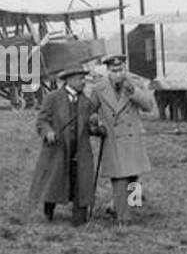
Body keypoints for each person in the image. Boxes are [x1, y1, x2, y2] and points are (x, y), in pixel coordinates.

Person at [84, 54, 155, 225]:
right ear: (108, 70)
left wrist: (133, 92)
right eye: (114, 70)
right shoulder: (99, 88)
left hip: (133, 139)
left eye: (121, 69)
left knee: (133, 175)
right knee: (119, 178)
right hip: (113, 140)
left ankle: (129, 205)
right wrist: (95, 123)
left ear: (125, 68)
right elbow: (90, 110)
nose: (118, 73)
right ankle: (124, 218)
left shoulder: (135, 83)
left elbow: (149, 106)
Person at [28, 66, 97, 225]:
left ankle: (79, 217)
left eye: (84, 79)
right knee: (54, 182)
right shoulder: (52, 98)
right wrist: (48, 132)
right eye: (80, 79)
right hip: (57, 148)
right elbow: (42, 121)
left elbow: (89, 126)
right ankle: (48, 211)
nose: (83, 82)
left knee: (80, 182)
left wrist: (96, 128)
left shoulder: (86, 102)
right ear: (69, 80)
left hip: (80, 151)